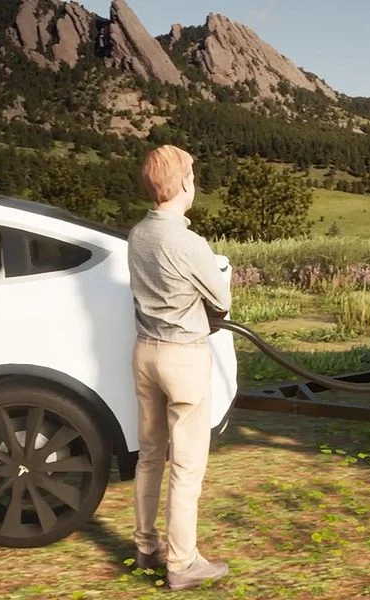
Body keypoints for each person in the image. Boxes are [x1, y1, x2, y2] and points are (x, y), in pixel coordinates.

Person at [127, 144, 232, 591]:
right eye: (193, 174)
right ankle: (183, 563)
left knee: (150, 455)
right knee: (186, 466)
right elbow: (222, 301)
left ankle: (146, 545)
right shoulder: (188, 243)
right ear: (184, 183)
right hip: (183, 357)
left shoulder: (137, 234)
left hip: (145, 353)